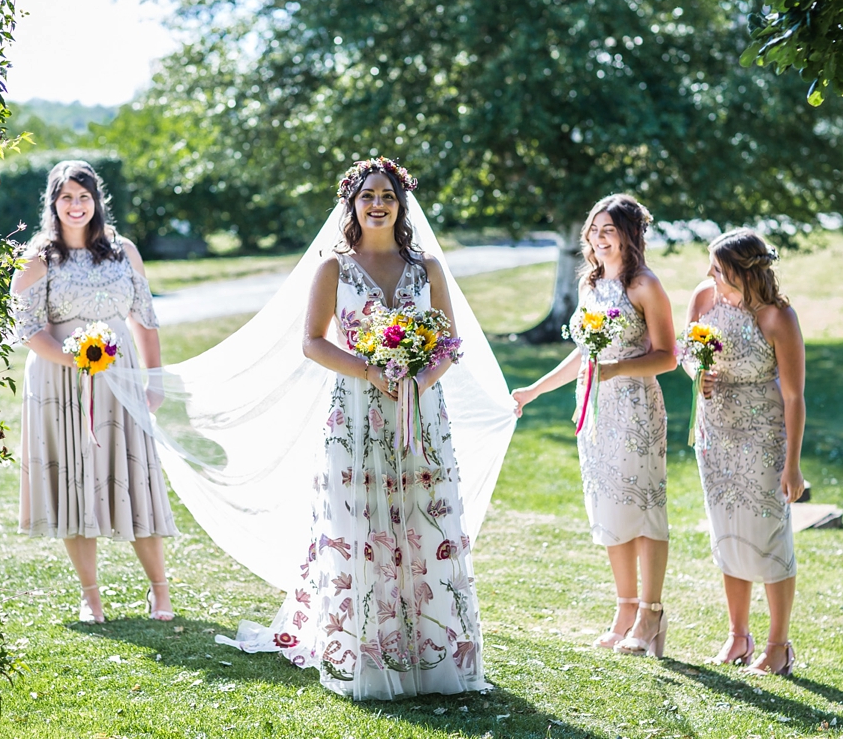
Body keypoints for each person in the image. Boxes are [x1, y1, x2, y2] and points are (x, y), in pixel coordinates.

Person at [211, 158, 509, 700]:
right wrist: (372, 371)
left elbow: (450, 344)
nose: (378, 204)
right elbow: (313, 342)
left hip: (422, 410)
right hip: (355, 412)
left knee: (425, 520)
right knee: (362, 523)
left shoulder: (428, 270)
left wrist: (420, 381)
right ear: (351, 204)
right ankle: (368, 653)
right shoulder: (333, 268)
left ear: (402, 204)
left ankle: (432, 653)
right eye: (368, 195)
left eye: (388, 196)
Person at [9, 160, 178, 624]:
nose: (76, 206)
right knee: (73, 482)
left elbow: (145, 319)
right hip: (59, 381)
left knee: (137, 478)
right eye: (66, 197)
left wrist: (153, 381)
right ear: (53, 203)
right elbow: (27, 329)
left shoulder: (124, 251)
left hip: (120, 380)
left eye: (84, 197)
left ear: (96, 201)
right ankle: (91, 596)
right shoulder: (38, 258)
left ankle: (159, 591)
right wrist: (77, 359)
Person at [511, 194, 676, 657]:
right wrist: (533, 390)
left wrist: (617, 370)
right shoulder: (589, 284)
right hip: (594, 410)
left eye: (608, 230)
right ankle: (624, 608)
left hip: (636, 406)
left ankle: (651, 612)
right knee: (607, 508)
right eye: (594, 230)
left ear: (629, 235)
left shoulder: (643, 285)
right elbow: (583, 354)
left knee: (642, 509)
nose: (598, 239)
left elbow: (667, 356)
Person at [684, 228, 805, 676]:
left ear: (740, 271)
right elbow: (686, 353)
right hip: (714, 431)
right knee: (726, 530)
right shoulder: (704, 298)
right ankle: (738, 636)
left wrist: (792, 464)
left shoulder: (777, 318)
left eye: (718, 269)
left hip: (762, 435)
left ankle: (778, 646)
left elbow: (794, 397)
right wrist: (699, 375)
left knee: (770, 535)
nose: (710, 276)